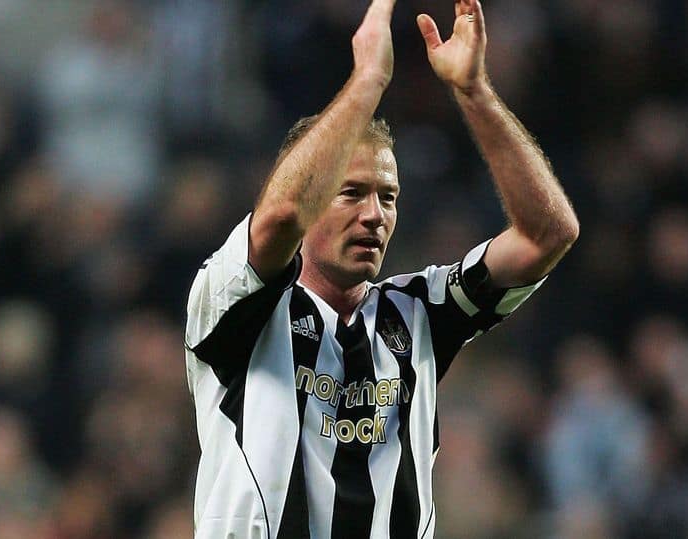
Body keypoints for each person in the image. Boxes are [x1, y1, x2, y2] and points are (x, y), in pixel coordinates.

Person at [184, 0, 579, 537]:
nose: (374, 215)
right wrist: (367, 79)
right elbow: (280, 215)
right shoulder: (235, 301)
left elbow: (547, 235)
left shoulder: (418, 311)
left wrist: (475, 94)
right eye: (351, 193)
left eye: (388, 197)